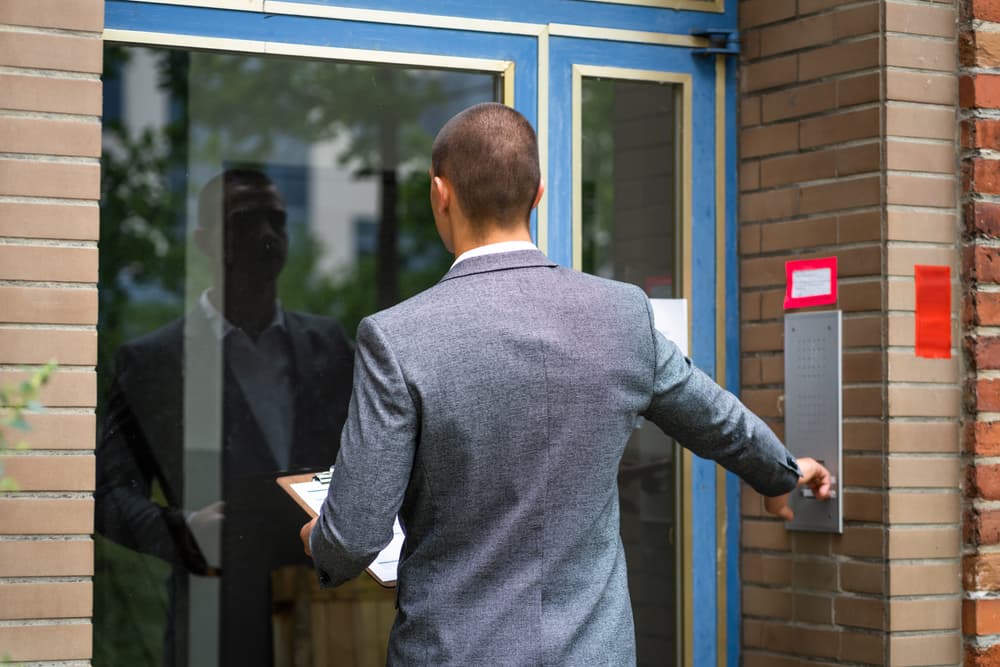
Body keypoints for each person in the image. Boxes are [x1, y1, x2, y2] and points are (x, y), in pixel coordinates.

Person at [300, 103, 830, 664]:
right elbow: (717, 420)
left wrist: (321, 543)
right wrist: (781, 476)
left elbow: (354, 538)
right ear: (538, 193)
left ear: (440, 193)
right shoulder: (621, 314)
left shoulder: (396, 337)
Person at [95, 169, 355, 666]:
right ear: (204, 242)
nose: (266, 235)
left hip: (327, 617)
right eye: (245, 221)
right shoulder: (154, 361)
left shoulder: (329, 345)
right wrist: (184, 531)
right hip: (213, 625)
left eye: (276, 220)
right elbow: (104, 494)